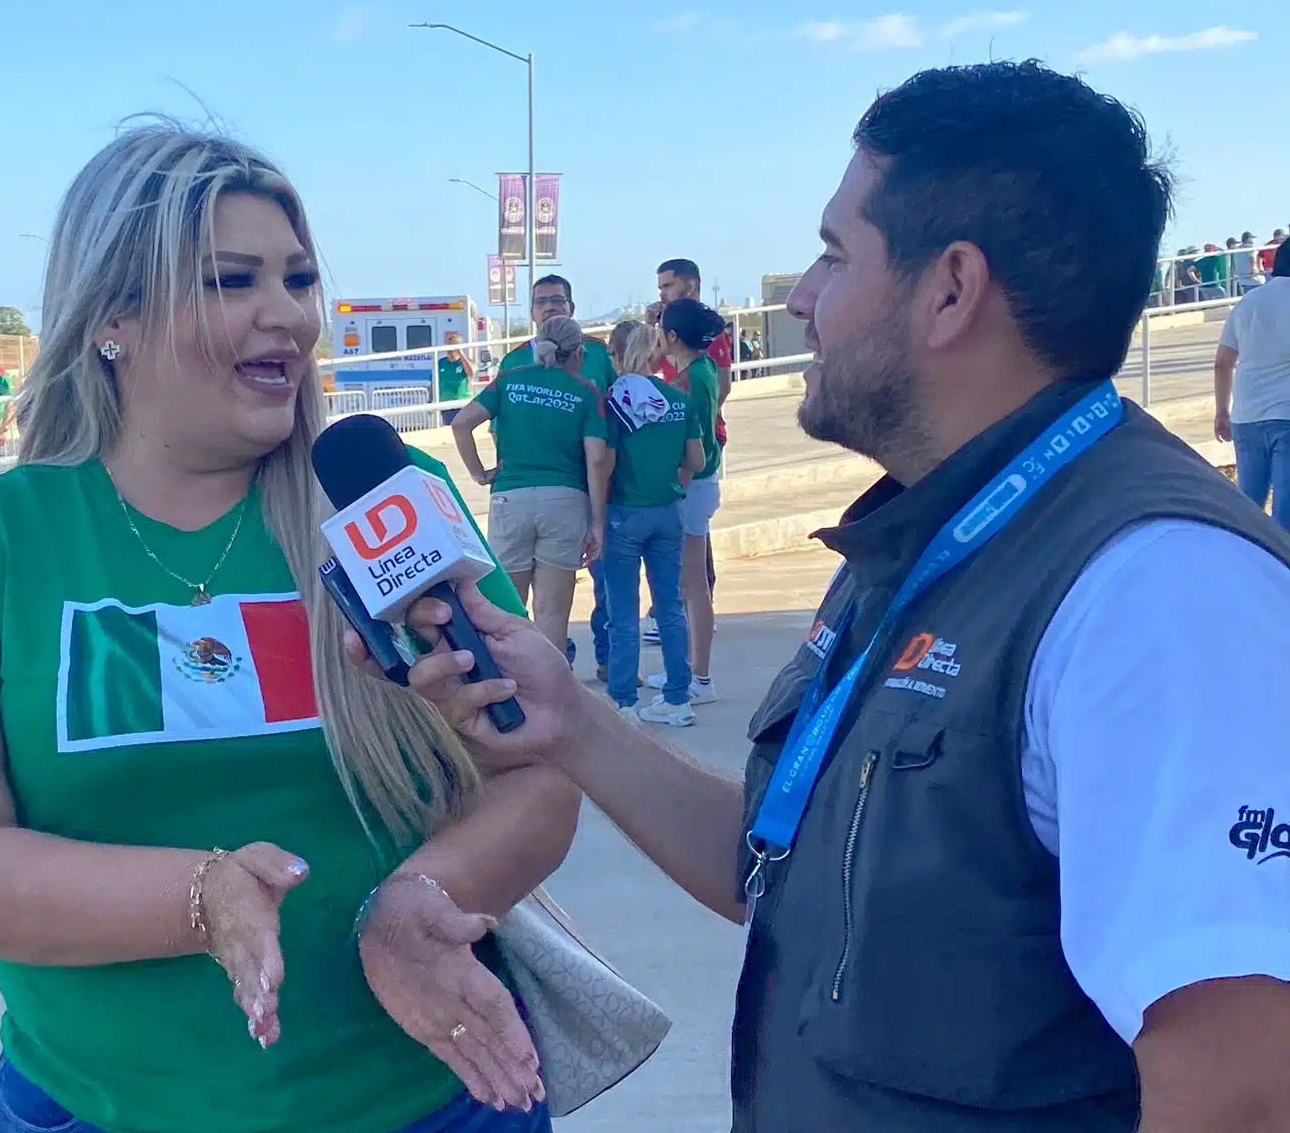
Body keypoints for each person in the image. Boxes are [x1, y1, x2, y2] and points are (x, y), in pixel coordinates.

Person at [379, 62, 1290, 1131]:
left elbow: (1240, 1087)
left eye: (831, 253)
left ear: (951, 289)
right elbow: (786, 865)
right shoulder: (924, 535)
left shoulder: (1160, 591)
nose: (801, 299)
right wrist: (570, 720)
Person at [0, 124, 574, 1133]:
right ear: (113, 314)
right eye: (233, 281)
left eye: (299, 279)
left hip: (428, 1105)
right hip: (91, 1108)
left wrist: (417, 906)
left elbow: (537, 774)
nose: (287, 315)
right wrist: (199, 898)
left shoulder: (386, 506)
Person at [452, 317, 609, 652]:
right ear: (578, 352)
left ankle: (512, 692)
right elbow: (596, 459)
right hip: (565, 501)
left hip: (511, 497)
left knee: (507, 611)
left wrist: (480, 473)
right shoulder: (586, 391)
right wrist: (597, 523)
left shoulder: (509, 381)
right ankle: (552, 692)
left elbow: (462, 423)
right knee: (551, 614)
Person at [495, 276, 616, 671]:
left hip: (591, 488)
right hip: (544, 491)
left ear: (572, 306)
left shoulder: (599, 355)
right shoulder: (512, 362)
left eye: (557, 300)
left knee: (602, 582)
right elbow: (497, 428)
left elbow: (614, 423)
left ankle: (607, 656)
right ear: (531, 312)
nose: (549, 307)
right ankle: (542, 668)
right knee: (529, 601)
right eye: (541, 302)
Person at [599, 319, 701, 725]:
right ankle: (678, 697)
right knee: (670, 607)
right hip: (667, 511)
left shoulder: (612, 401)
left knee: (623, 612)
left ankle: (623, 702)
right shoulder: (678, 399)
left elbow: (604, 461)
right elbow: (696, 460)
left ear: (619, 354)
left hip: (624, 511)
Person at [644, 259, 729, 637]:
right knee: (690, 580)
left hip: (693, 479)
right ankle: (694, 666)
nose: (661, 293)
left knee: (692, 583)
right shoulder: (702, 368)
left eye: (667, 286)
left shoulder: (687, 379)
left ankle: (697, 671)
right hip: (702, 478)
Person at [1215, 246, 1290, 529]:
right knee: (1285, 515)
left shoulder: (1248, 302)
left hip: (1245, 416)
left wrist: (1221, 411)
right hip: (1286, 416)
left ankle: (1243, 564)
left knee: (1248, 509)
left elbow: (1223, 362)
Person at [436, 329, 472, 425]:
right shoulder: (441, 363)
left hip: (461, 402)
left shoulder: (464, 362)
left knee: (461, 426)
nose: (450, 350)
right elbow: (434, 381)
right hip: (446, 403)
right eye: (449, 346)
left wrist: (460, 352)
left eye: (452, 347)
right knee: (449, 427)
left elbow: (471, 372)